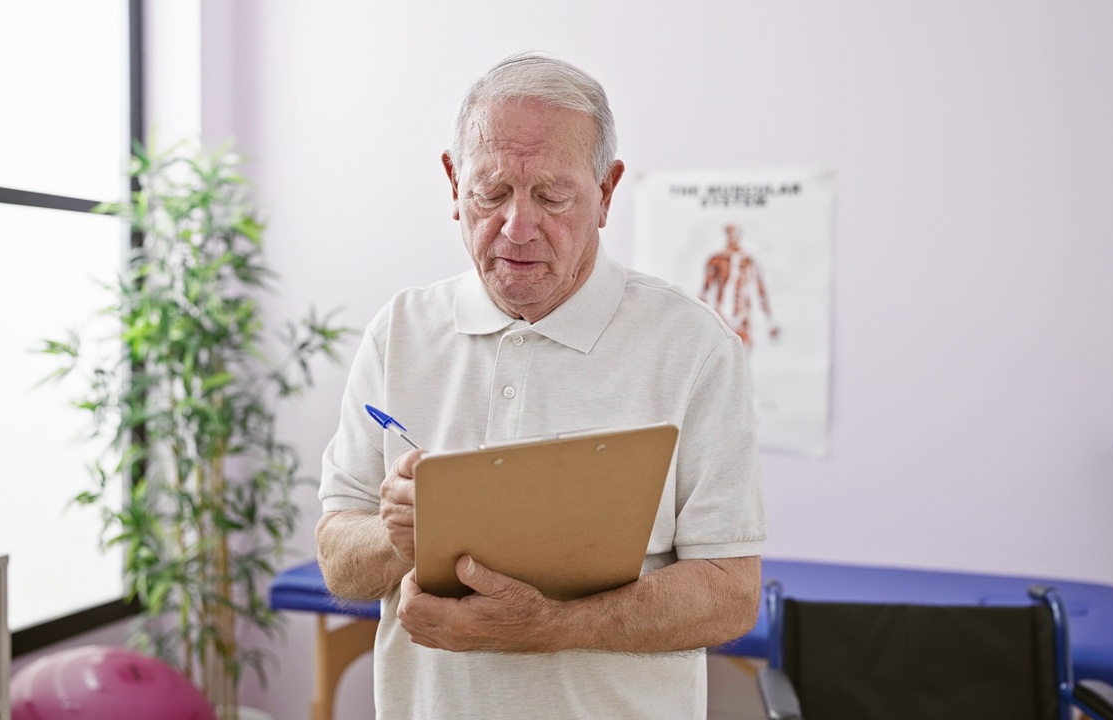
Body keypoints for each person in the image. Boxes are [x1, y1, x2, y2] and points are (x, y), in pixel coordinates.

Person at [316, 52, 765, 719]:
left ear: (606, 193)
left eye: (553, 197)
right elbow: (338, 558)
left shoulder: (693, 346)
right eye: (490, 194)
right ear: (451, 181)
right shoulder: (400, 331)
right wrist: (405, 533)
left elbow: (730, 593)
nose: (517, 229)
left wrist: (552, 627)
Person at [699, 224, 780, 349]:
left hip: (743, 316)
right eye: (730, 234)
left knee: (743, 356)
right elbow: (705, 292)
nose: (733, 238)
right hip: (721, 315)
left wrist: (770, 322)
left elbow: (761, 292)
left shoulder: (750, 260)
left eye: (736, 234)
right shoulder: (716, 260)